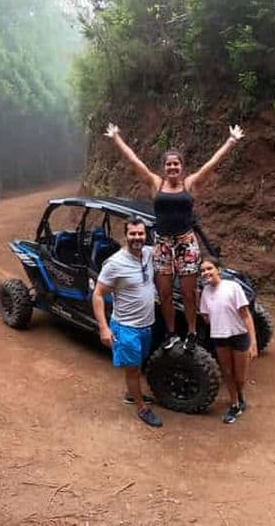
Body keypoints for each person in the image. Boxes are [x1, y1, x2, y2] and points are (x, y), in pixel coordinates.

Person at [104, 122, 245, 352]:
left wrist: (231, 141)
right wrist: (116, 138)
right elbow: (134, 161)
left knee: (189, 293)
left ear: (181, 167)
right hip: (162, 245)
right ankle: (170, 333)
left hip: (186, 243)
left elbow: (212, 164)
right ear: (164, 168)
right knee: (165, 293)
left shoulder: (190, 184)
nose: (172, 167)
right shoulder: (156, 184)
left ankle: (192, 332)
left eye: (176, 164)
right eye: (168, 164)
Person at [92, 218, 163, 428]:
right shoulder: (115, 264)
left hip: (146, 325)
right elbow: (97, 294)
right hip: (126, 327)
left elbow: (165, 248)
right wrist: (103, 328)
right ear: (125, 235)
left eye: (140, 233)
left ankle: (132, 393)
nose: (137, 237)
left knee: (138, 364)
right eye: (132, 234)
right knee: (132, 369)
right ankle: (140, 407)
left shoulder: (148, 253)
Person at [198, 256, 257, 424]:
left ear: (218, 270)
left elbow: (246, 315)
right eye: (202, 270)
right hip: (219, 336)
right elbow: (205, 316)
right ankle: (235, 404)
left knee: (240, 376)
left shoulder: (233, 287)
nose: (206, 273)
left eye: (209, 268)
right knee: (227, 373)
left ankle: (240, 396)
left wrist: (253, 342)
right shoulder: (205, 292)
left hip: (239, 335)